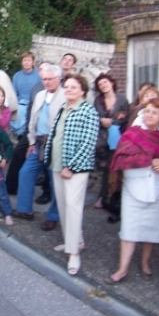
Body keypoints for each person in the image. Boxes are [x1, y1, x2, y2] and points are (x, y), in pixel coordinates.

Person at [104, 98, 159, 284]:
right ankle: (122, 268)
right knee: (129, 229)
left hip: (157, 188)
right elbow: (120, 157)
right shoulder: (132, 134)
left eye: (154, 112)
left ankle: (145, 263)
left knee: (151, 229)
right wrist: (146, 159)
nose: (149, 115)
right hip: (133, 188)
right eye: (147, 111)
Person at [43, 74, 99, 275]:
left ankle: (74, 254)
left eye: (73, 87)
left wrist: (72, 167)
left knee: (73, 208)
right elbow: (55, 135)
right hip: (57, 165)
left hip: (75, 169)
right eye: (66, 86)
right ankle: (73, 241)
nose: (68, 90)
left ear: (82, 90)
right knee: (63, 206)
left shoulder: (88, 111)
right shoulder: (63, 108)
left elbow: (88, 143)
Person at [12, 65, 64, 231]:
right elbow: (33, 120)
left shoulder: (64, 96)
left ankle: (53, 217)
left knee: (55, 182)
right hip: (38, 143)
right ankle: (25, 210)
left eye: (49, 79)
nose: (46, 82)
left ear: (58, 79)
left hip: (55, 145)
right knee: (25, 173)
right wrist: (32, 142)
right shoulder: (40, 95)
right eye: (44, 79)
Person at [92, 73, 129, 214]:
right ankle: (103, 197)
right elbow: (94, 116)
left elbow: (125, 117)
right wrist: (101, 120)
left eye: (105, 82)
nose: (103, 85)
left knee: (114, 167)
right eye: (100, 84)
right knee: (107, 168)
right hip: (102, 138)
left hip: (117, 137)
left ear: (111, 83)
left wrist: (112, 121)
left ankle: (111, 197)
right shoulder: (98, 100)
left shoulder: (122, 99)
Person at [11, 52, 41, 138]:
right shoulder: (17, 76)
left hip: (33, 105)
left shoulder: (38, 76)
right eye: (24, 60)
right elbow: (14, 93)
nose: (26, 62)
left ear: (33, 62)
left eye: (29, 60)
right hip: (20, 106)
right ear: (21, 62)